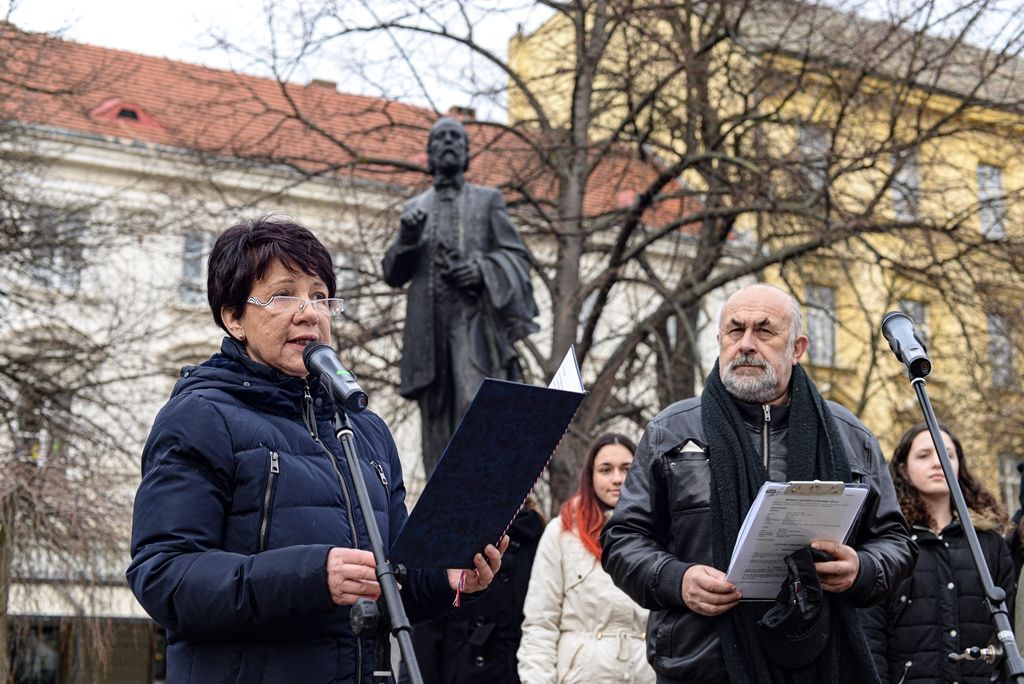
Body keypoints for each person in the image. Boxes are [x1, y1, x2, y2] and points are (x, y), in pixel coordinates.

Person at [126, 216, 506, 683]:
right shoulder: (200, 417)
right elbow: (164, 576)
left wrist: (447, 579)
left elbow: (394, 579)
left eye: (321, 296)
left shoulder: (365, 429)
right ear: (233, 318)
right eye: (284, 295)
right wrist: (311, 575)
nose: (310, 313)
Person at [601, 283, 917, 684]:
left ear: (797, 348)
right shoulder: (672, 431)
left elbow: (895, 541)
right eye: (735, 330)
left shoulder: (849, 437)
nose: (747, 344)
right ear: (720, 341)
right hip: (702, 663)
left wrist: (862, 568)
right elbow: (623, 539)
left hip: (818, 661)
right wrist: (675, 580)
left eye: (765, 331)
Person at [382, 116, 539, 478]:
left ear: (467, 154)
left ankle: (481, 490)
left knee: (476, 404)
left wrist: (482, 269)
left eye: (456, 138)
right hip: (428, 330)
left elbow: (517, 256)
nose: (449, 142)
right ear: (429, 154)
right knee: (435, 421)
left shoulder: (488, 201)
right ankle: (440, 498)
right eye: (440, 138)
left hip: (472, 324)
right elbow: (392, 273)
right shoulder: (415, 208)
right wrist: (407, 238)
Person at [862, 422, 1015, 683]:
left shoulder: (989, 543)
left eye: (947, 454)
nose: (937, 463)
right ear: (903, 470)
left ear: (959, 466)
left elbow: (1009, 633)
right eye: (924, 455)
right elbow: (870, 636)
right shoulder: (888, 544)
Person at [517, 433, 655, 684]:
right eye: (605, 470)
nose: (617, 479)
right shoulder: (562, 533)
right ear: (590, 476)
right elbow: (540, 624)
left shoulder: (660, 532)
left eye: (627, 469)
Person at [398, 502, 545, 684]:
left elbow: (543, 626)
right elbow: (424, 638)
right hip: (456, 670)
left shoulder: (538, 537)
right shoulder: (448, 531)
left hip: (516, 672)